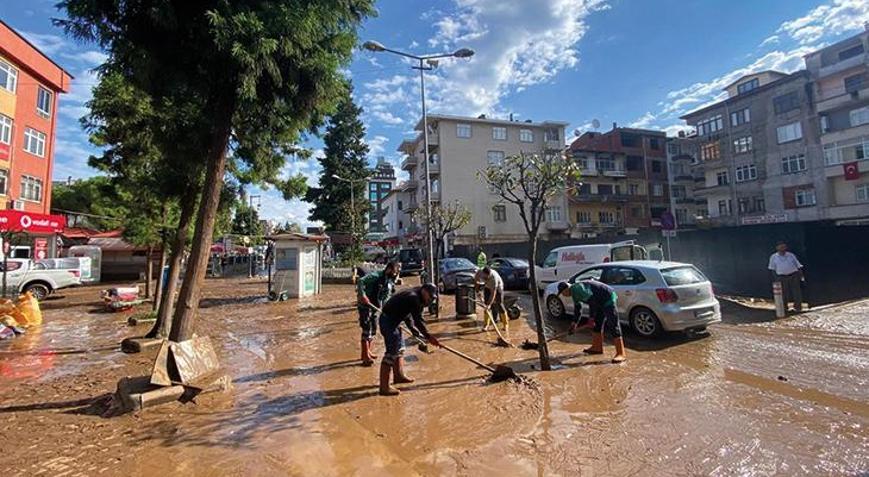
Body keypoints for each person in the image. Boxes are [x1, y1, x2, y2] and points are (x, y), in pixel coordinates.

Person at [378, 284, 441, 396]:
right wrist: (428, 336)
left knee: (400, 348)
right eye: (430, 297)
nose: (430, 300)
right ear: (424, 291)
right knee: (391, 353)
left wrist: (414, 331)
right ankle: (384, 387)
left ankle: (398, 376)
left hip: (395, 321)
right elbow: (418, 320)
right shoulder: (414, 297)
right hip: (388, 321)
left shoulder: (417, 295)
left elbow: (408, 315)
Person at [558, 280, 626, 363]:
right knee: (597, 325)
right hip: (599, 302)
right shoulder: (574, 293)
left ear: (566, 290)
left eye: (562, 293)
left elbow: (592, 302)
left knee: (613, 324)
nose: (563, 295)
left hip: (607, 298)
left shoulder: (577, 288)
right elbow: (578, 309)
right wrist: (574, 324)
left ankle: (621, 353)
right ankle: (597, 347)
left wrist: (591, 318)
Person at [356, 261, 400, 366]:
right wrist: (363, 295)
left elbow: (387, 296)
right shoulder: (376, 276)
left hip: (375, 307)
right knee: (367, 329)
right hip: (366, 305)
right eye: (394, 272)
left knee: (373, 330)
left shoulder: (389, 280)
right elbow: (361, 281)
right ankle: (365, 356)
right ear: (389, 269)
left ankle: (368, 351)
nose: (395, 275)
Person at [768, 241, 805, 313]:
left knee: (796, 292)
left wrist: (801, 276)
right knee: (784, 293)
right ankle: (784, 308)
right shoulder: (773, 257)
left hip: (793, 275)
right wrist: (776, 279)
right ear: (777, 248)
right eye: (780, 246)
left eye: (783, 246)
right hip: (781, 277)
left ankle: (798, 308)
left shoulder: (791, 255)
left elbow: (798, 266)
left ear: (786, 247)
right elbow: (772, 269)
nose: (782, 248)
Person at [474, 267, 507, 332]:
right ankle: (486, 325)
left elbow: (493, 294)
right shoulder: (479, 272)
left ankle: (505, 324)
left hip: (498, 288)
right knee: (485, 305)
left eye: (487, 277)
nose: (485, 278)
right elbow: (476, 281)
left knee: (500, 305)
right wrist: (477, 291)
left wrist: (489, 304)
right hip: (487, 287)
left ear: (489, 275)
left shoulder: (494, 279)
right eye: (484, 277)